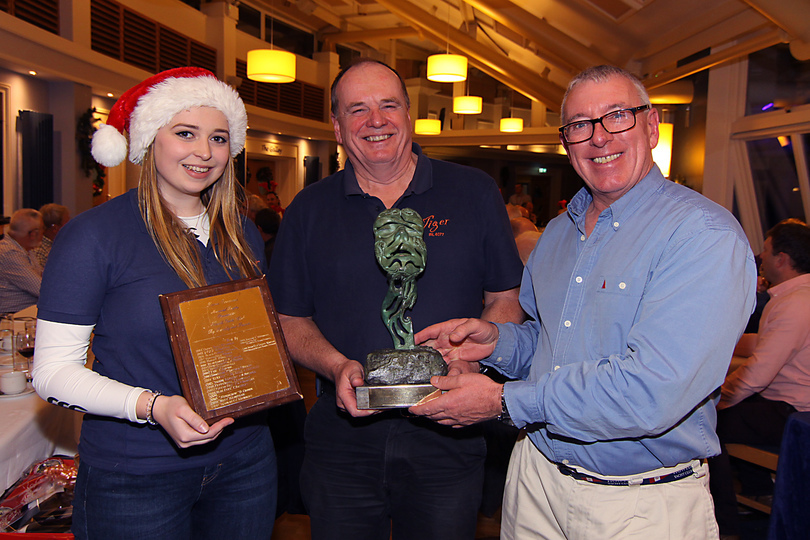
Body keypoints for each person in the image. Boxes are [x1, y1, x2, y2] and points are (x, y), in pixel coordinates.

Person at [411, 65, 757, 539]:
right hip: (535, 477)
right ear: (566, 142)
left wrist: (501, 400)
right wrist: (496, 343)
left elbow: (652, 390)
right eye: (579, 125)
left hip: (639, 501)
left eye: (616, 116)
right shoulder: (556, 234)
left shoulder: (701, 235)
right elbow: (552, 341)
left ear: (651, 126)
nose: (598, 137)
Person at [268, 59, 524, 540]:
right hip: (342, 436)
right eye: (357, 109)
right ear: (338, 127)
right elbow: (289, 319)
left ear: (408, 114)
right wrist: (335, 365)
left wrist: (473, 364)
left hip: (449, 429)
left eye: (389, 105)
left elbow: (505, 298)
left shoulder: (472, 192)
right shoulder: (309, 209)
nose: (376, 120)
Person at [32, 67, 276, 540]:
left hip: (246, 461)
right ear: (148, 141)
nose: (204, 152)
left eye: (219, 138)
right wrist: (152, 406)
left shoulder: (243, 234)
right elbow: (51, 374)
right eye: (185, 133)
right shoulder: (94, 236)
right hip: (135, 475)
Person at [709, 218, 810, 539]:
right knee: (742, 404)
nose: (760, 257)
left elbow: (757, 374)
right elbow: (765, 343)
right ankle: (757, 489)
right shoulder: (798, 296)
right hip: (794, 405)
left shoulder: (795, 303)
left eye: (765, 251)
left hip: (794, 413)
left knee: (706, 424)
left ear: (782, 258)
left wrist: (718, 401)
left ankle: (724, 523)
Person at [0, 208, 44, 314]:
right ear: (33, 234)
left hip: (25, 314)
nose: (44, 235)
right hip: (13, 317)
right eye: (43, 229)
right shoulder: (10, 253)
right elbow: (41, 289)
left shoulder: (24, 249)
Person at [33, 203, 70, 268]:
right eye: (67, 223)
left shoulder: (56, 245)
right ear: (55, 228)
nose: (69, 227)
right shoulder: (41, 252)